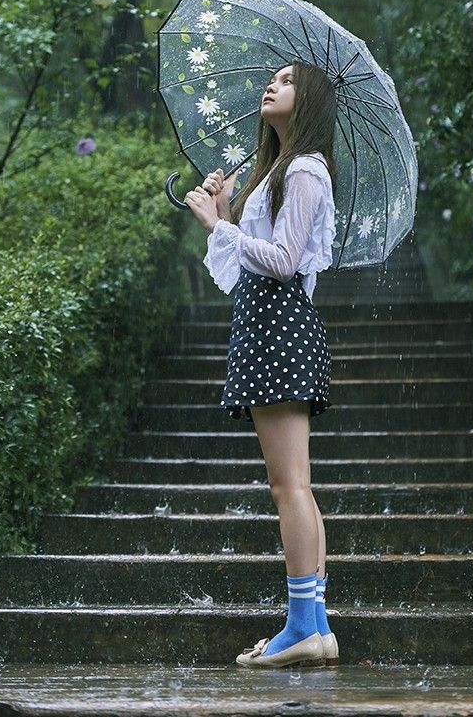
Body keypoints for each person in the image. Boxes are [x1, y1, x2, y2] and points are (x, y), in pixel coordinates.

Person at [183, 60, 339, 670]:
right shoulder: (277, 169)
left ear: (310, 102)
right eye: (272, 78)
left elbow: (281, 260)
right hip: (264, 325)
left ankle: (302, 625)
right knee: (295, 484)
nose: (271, 86)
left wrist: (217, 225)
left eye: (288, 81)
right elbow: (242, 269)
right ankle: (316, 626)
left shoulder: (304, 169)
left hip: (279, 329)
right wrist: (225, 212)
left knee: (288, 486)